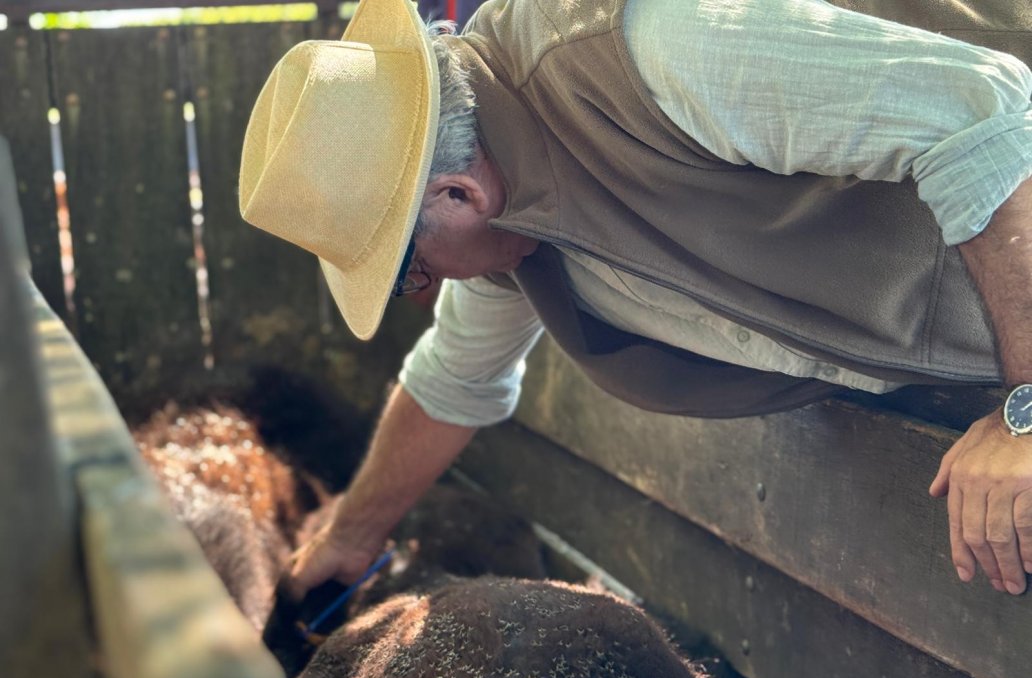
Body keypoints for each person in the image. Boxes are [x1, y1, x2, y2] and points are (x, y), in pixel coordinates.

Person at [238, 0, 1032, 599]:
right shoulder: (511, 240)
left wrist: (1026, 412)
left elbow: (985, 118)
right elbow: (454, 380)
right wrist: (350, 536)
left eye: (408, 270)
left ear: (455, 194)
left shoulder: (644, 47)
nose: (428, 286)